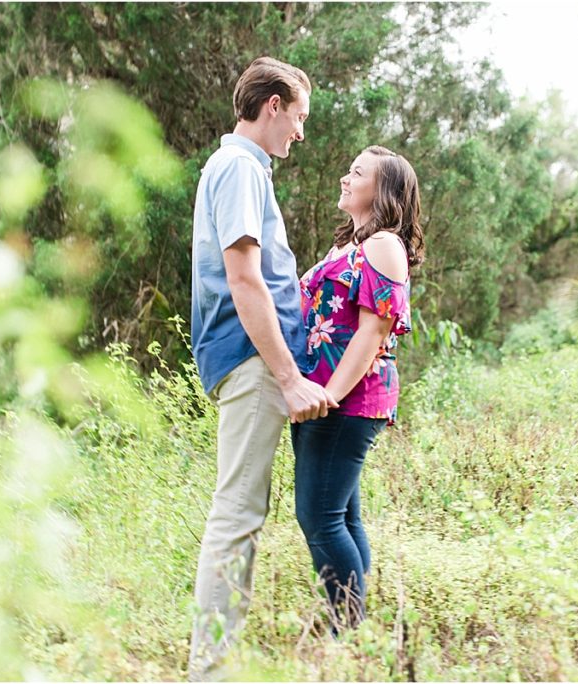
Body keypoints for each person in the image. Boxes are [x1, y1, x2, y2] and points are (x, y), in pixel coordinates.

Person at [188, 56, 337, 680]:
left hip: (251, 359)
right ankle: (211, 669)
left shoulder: (238, 170)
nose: (300, 133)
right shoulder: (241, 168)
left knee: (242, 509)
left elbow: (262, 274)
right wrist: (286, 375)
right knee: (238, 513)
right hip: (252, 363)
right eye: (298, 116)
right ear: (272, 105)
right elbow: (244, 279)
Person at [293, 145, 424, 631]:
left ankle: (346, 629)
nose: (345, 179)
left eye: (357, 173)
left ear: (383, 191)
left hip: (345, 400)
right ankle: (354, 625)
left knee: (319, 517)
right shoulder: (349, 247)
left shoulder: (384, 245)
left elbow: (374, 329)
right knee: (341, 516)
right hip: (323, 396)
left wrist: (330, 395)